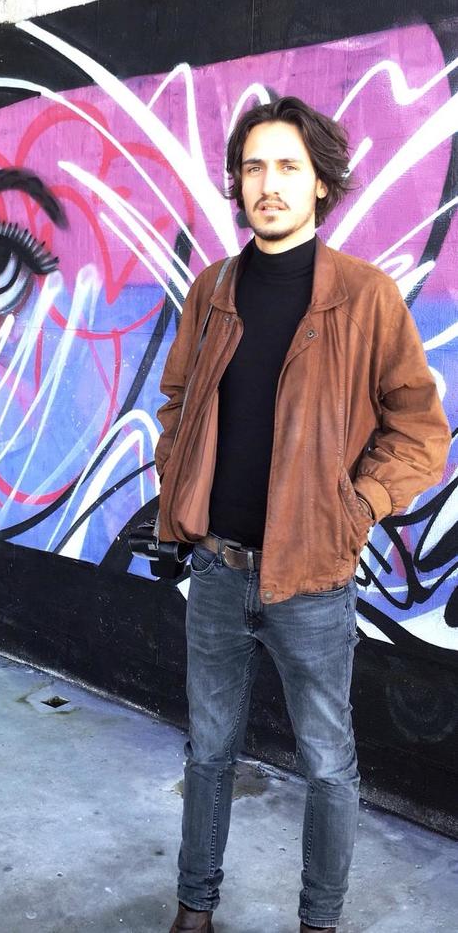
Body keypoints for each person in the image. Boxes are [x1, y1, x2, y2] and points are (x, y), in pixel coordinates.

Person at [155, 96, 451, 933]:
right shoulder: (213, 290)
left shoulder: (364, 296)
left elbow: (418, 429)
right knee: (208, 752)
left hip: (314, 578)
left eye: (288, 166)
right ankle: (193, 911)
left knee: (326, 765)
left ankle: (319, 922)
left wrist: (358, 507)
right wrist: (178, 476)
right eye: (253, 167)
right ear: (236, 182)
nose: (269, 184)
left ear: (320, 183)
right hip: (217, 568)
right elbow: (177, 401)